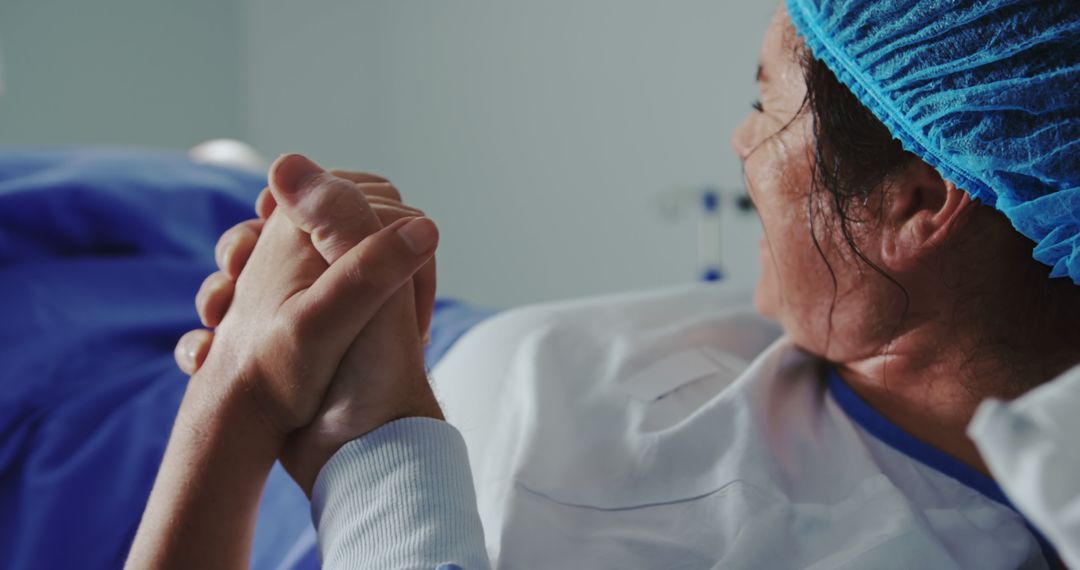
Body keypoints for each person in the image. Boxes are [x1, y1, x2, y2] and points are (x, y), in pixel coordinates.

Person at [129, 0, 1080, 568]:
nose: (742, 141)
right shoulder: (889, 339)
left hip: (247, 482)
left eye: (765, 103)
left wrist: (249, 402)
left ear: (918, 202)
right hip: (370, 340)